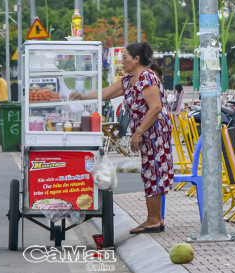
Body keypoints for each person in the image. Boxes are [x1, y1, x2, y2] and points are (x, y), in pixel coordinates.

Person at [70, 41, 173, 234]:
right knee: (151, 173)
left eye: (125, 58)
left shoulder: (147, 78)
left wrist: (138, 132)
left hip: (155, 132)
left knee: (154, 173)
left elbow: (156, 108)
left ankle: (152, 220)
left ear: (136, 59)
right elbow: (106, 93)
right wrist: (81, 97)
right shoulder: (129, 79)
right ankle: (156, 219)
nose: (122, 61)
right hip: (146, 132)